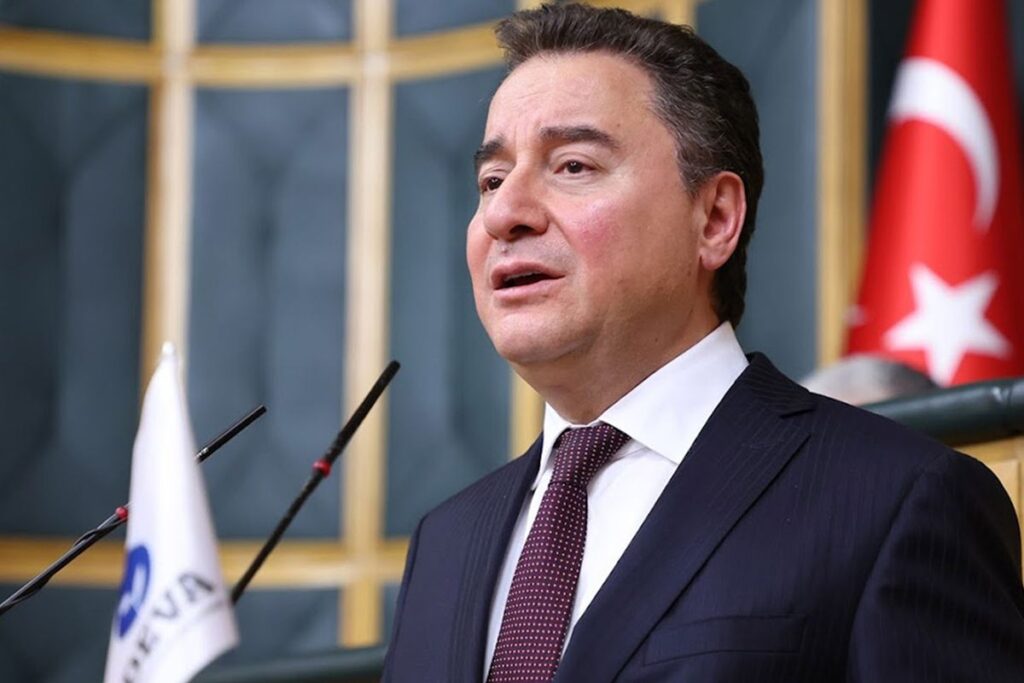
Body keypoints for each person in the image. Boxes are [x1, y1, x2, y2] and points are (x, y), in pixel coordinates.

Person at [383, 4, 1024, 681]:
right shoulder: (445, 544)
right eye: (490, 180)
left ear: (715, 218)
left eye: (572, 166)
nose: (504, 213)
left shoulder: (894, 497)